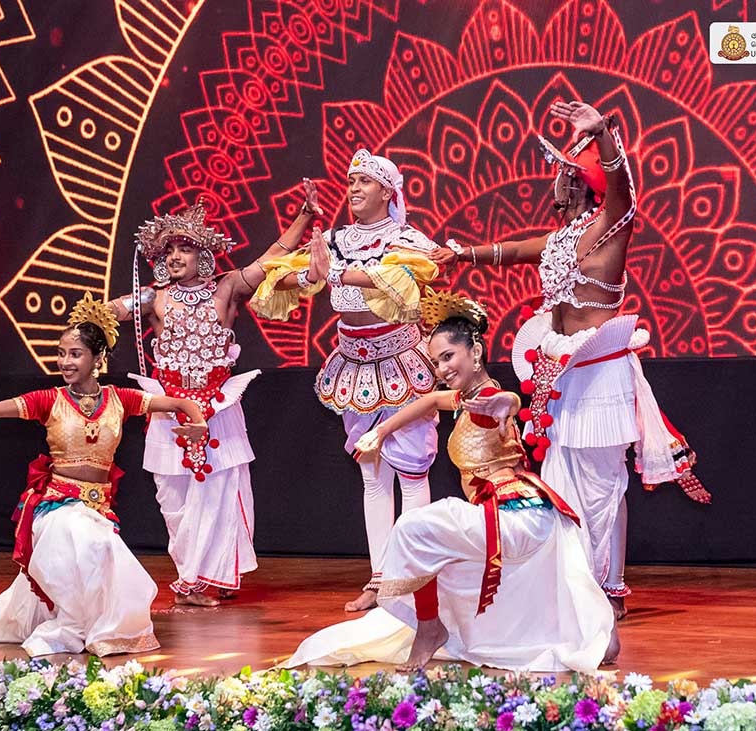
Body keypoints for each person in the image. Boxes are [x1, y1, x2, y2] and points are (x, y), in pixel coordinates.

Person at [433, 100, 710, 618]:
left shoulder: (611, 226)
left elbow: (624, 191)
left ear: (584, 181)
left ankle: (608, 588)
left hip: (600, 374)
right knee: (559, 483)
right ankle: (571, 583)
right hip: (560, 371)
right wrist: (461, 254)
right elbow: (511, 250)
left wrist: (603, 136)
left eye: (565, 173)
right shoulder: (560, 239)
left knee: (603, 485)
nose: (556, 182)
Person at [284, 292, 616, 672]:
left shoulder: (488, 398)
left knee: (413, 528)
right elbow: (427, 403)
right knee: (443, 563)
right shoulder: (466, 397)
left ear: (475, 352)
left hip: (514, 517)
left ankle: (429, 629)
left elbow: (508, 401)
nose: (441, 369)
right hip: (519, 517)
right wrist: (381, 432)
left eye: (448, 357)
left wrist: (507, 403)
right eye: (435, 361)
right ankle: (589, 634)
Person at [0, 293, 207, 656]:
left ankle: (84, 625)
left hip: (98, 508)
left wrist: (196, 423)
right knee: (88, 542)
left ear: (97, 358)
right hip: (56, 507)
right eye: (61, 353)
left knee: (98, 552)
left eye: (75, 354)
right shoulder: (48, 400)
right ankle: (70, 625)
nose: (65, 362)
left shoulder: (121, 400)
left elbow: (182, 402)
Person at [250, 149, 443, 612]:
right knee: (371, 472)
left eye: (365, 182)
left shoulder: (406, 238)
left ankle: (412, 578)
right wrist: (305, 275)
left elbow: (399, 280)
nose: (354, 189)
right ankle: (379, 580)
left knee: (412, 471)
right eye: (351, 181)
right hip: (353, 364)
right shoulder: (334, 239)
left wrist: (330, 271)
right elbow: (279, 280)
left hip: (403, 361)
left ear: (388, 192)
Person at [107, 191, 321, 606]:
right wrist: (94, 318)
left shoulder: (226, 288)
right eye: (168, 250)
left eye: (184, 248)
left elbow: (270, 259)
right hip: (169, 408)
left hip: (218, 406)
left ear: (202, 255)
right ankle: (192, 573)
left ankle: (202, 581)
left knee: (219, 496)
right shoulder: (155, 296)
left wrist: (302, 217)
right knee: (174, 501)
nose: (174, 257)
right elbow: (110, 312)